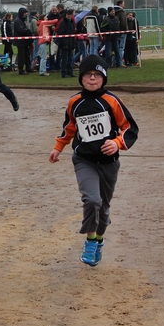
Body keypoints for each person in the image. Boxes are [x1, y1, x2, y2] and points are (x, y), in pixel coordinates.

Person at [48, 54, 138, 267]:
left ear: (104, 78)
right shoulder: (75, 102)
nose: (92, 78)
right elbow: (69, 127)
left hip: (108, 163)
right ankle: (90, 240)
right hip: (84, 160)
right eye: (88, 74)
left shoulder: (111, 101)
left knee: (103, 208)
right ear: (81, 77)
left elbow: (129, 128)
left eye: (97, 75)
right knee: (92, 200)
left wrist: (117, 143)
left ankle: (99, 240)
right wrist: (58, 147)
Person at [13, 8, 34, 75]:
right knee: (21, 56)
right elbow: (21, 31)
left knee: (27, 55)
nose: (26, 14)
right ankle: (21, 70)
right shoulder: (18, 21)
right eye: (25, 13)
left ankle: (28, 68)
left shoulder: (22, 20)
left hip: (24, 41)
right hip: (20, 41)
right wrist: (27, 31)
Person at [57, 9, 77, 78]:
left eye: (70, 15)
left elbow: (73, 33)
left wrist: (73, 43)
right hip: (65, 44)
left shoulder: (71, 22)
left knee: (70, 59)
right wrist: (64, 43)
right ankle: (64, 73)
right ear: (66, 15)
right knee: (65, 59)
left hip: (70, 43)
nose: (69, 16)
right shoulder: (63, 23)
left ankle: (70, 72)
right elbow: (61, 34)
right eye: (68, 14)